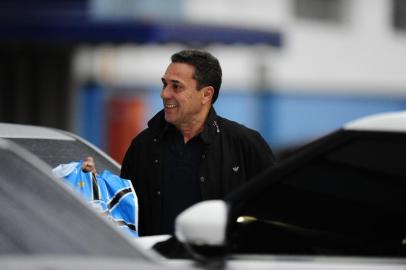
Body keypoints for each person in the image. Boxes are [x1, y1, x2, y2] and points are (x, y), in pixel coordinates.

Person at [119, 49, 276, 236]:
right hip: (155, 262)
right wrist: (93, 182)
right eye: (164, 84)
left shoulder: (244, 144)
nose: (165, 94)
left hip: (222, 263)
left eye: (176, 87)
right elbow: (122, 213)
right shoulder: (143, 146)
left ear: (206, 94)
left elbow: (276, 211)